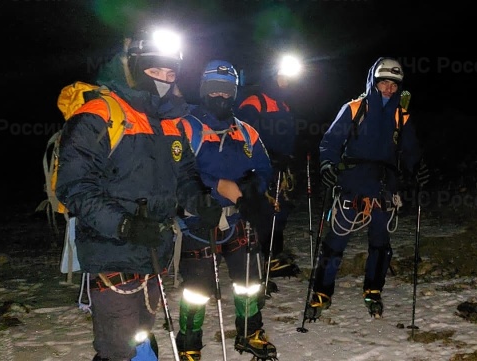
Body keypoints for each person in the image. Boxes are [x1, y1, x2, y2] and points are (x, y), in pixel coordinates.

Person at [55, 28, 208, 361]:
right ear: (136, 69)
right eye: (155, 71)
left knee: (140, 337)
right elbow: (74, 186)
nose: (164, 80)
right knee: (117, 348)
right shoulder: (99, 115)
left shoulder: (171, 123)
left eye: (170, 73)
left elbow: (185, 175)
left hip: (154, 252)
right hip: (111, 252)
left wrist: (201, 202)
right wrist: (124, 225)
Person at [306, 57, 429, 320]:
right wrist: (328, 165)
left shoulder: (401, 116)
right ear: (374, 82)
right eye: (383, 82)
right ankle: (322, 290)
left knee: (381, 245)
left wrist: (417, 165)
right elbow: (330, 142)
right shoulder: (354, 108)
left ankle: (374, 290)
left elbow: (410, 149)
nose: (388, 89)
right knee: (335, 240)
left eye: (393, 85)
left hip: (384, 189)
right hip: (352, 185)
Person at [176, 60, 278, 361]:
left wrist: (251, 188)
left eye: (227, 92)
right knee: (196, 288)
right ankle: (189, 342)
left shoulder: (246, 132)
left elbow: (264, 167)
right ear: (204, 91)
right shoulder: (187, 125)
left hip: (238, 218)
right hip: (199, 219)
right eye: (214, 91)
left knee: (248, 282)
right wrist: (215, 186)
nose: (221, 97)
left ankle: (249, 331)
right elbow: (179, 171)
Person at [236, 54, 303, 280]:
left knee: (280, 211)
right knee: (263, 214)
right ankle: (261, 261)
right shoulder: (255, 102)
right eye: (282, 77)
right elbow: (242, 135)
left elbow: (288, 136)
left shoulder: (282, 104)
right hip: (262, 169)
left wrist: (294, 153)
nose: (285, 82)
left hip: (282, 168)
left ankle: (274, 256)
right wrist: (266, 158)